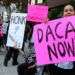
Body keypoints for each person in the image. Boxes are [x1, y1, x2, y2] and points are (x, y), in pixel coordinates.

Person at [48, 4, 75, 75]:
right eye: (66, 11)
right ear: (63, 14)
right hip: (55, 65)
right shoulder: (56, 26)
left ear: (74, 13)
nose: (68, 12)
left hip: (69, 67)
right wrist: (45, 25)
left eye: (71, 10)